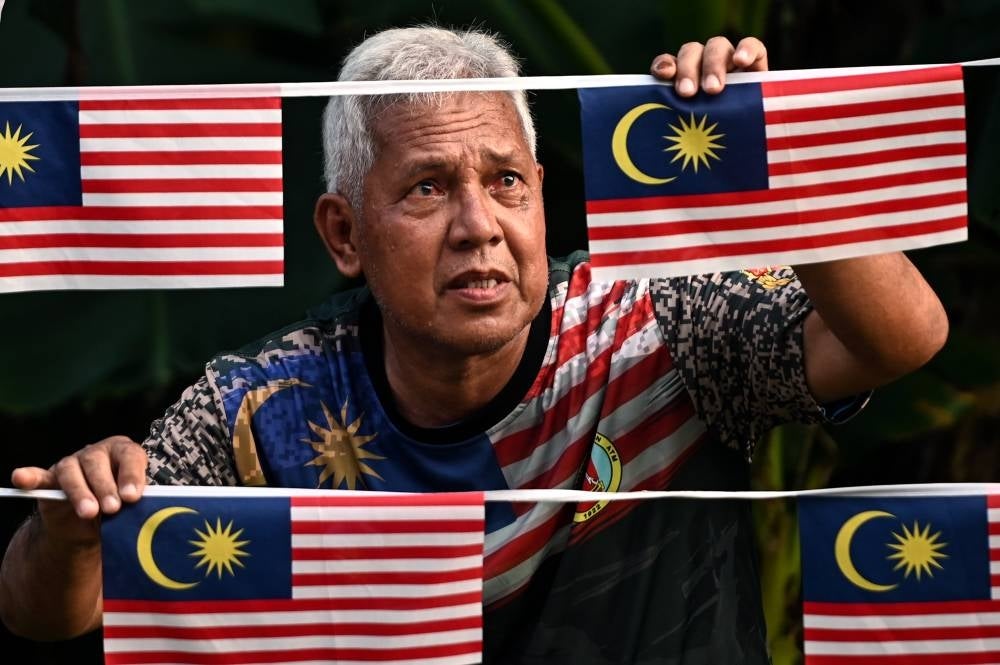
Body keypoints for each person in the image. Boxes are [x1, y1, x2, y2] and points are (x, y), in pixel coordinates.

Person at [0, 25, 947, 664]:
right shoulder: (260, 403)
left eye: (504, 182)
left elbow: (901, 336)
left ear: (540, 190)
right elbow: (48, 612)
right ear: (344, 234)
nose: (478, 225)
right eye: (425, 189)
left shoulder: (656, 318)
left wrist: (779, 150)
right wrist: (72, 530)